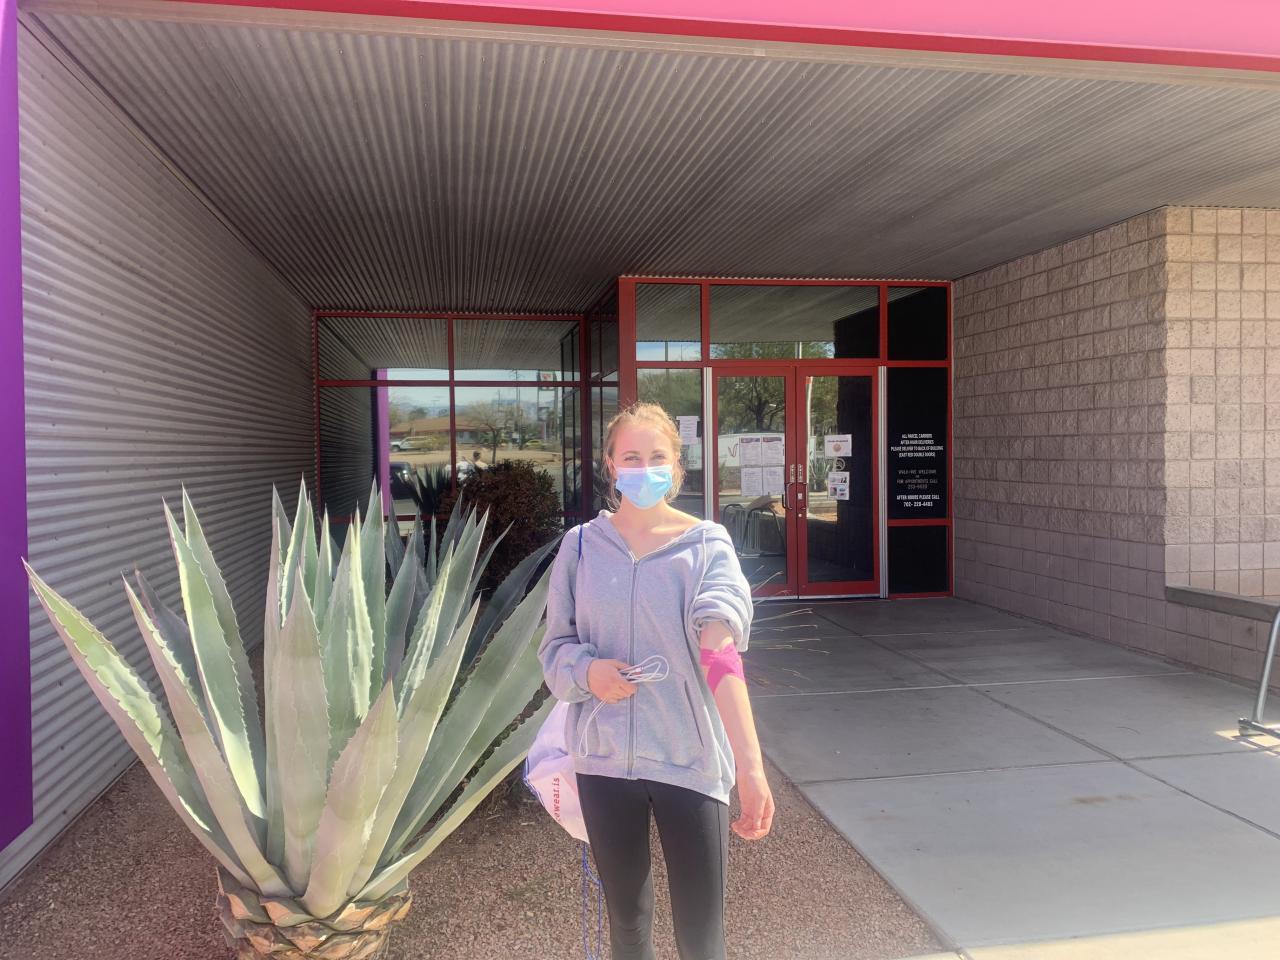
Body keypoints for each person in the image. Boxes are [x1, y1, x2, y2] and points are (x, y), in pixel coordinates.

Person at [538, 402, 775, 960]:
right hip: (603, 762)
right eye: (631, 457)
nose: (644, 469)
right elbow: (554, 650)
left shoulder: (707, 545)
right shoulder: (579, 547)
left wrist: (750, 768)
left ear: (676, 466)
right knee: (627, 924)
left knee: (701, 936)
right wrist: (587, 672)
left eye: (656, 457)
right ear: (610, 465)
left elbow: (721, 656)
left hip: (689, 761)